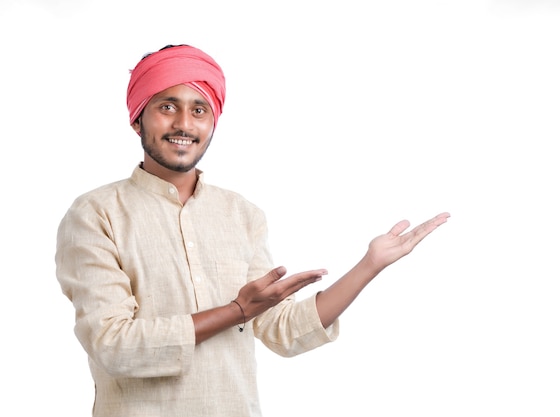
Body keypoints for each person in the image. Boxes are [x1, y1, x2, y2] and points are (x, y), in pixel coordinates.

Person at [55, 43, 450, 417]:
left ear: (213, 121)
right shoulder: (95, 214)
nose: (183, 124)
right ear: (138, 117)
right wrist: (237, 311)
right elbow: (114, 346)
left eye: (199, 110)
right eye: (167, 106)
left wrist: (369, 265)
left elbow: (282, 329)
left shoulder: (241, 214)